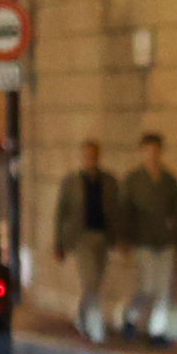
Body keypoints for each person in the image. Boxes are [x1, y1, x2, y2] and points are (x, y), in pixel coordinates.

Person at [51, 139, 123, 342]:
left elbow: (115, 211)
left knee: (95, 282)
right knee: (90, 280)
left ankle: (82, 317)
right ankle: (95, 327)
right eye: (87, 155)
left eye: (94, 155)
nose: (90, 159)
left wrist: (118, 238)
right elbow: (60, 213)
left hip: (102, 237)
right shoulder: (71, 182)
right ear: (82, 157)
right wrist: (58, 243)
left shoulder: (109, 181)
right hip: (81, 238)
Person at [119, 132, 177, 348]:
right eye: (148, 151)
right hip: (143, 240)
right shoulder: (134, 179)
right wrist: (125, 238)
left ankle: (157, 330)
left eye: (156, 151)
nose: (152, 155)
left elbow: (176, 212)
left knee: (163, 289)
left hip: (164, 241)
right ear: (143, 152)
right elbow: (125, 210)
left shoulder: (169, 180)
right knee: (147, 287)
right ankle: (130, 317)